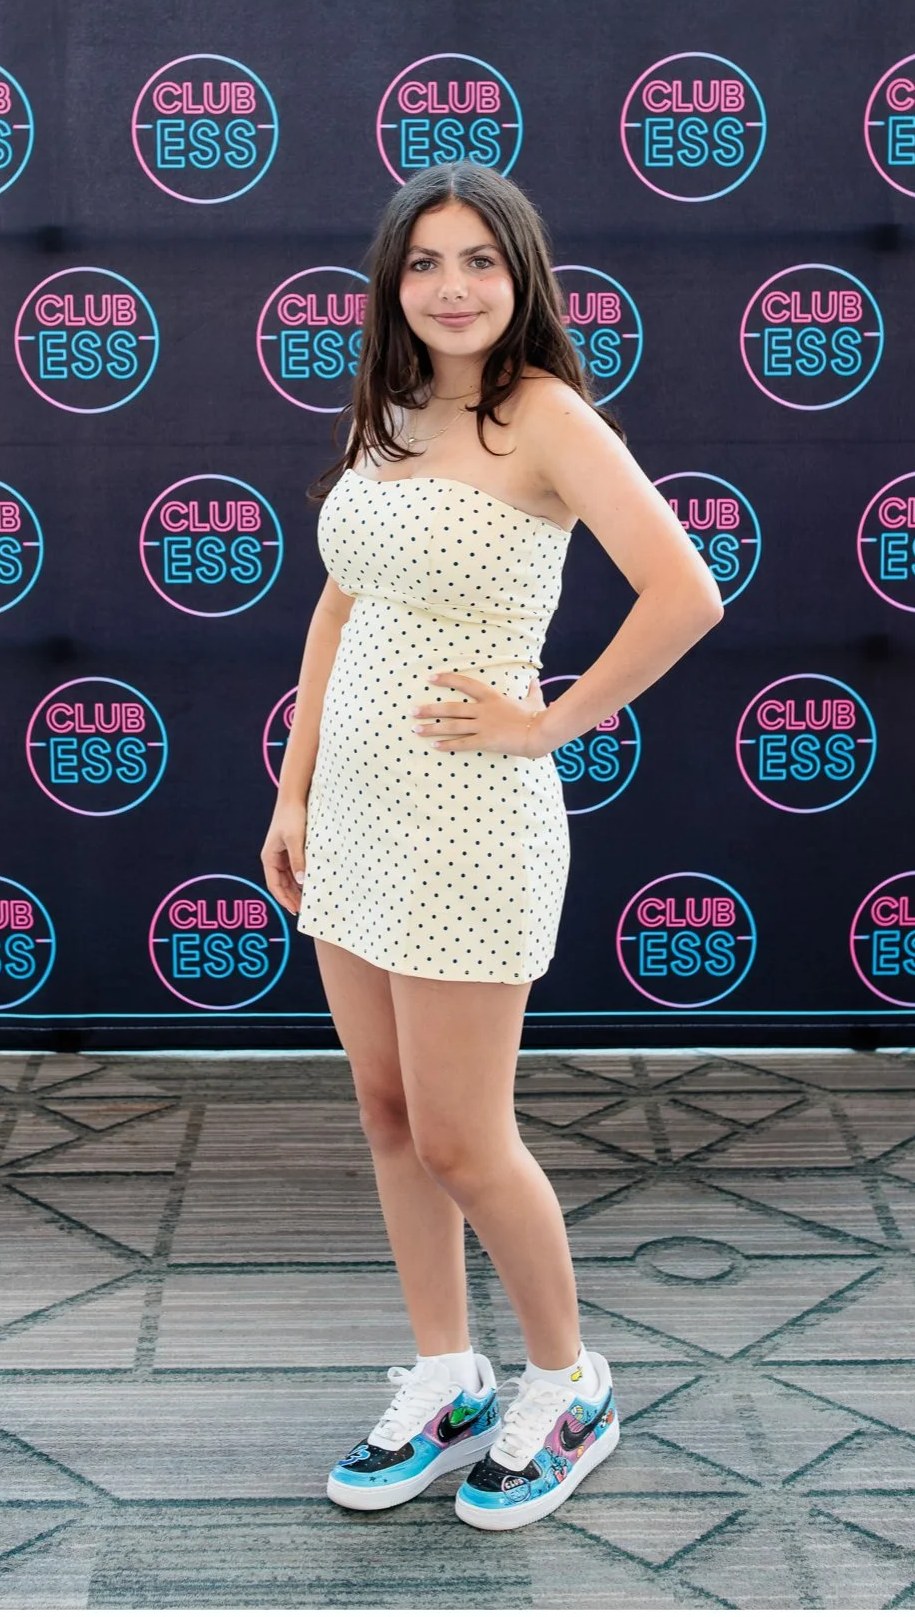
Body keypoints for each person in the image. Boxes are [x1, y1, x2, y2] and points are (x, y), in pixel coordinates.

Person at [259, 161, 724, 1530]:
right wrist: (295, 787)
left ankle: (569, 1384)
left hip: (472, 823)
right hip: (353, 811)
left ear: (520, 276)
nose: (451, 287)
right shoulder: (391, 414)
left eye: (478, 261)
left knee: (465, 1134)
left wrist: (553, 722)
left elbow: (685, 590)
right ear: (392, 285)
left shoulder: (547, 419)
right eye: (424, 264)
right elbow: (340, 609)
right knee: (390, 1113)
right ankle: (448, 1376)